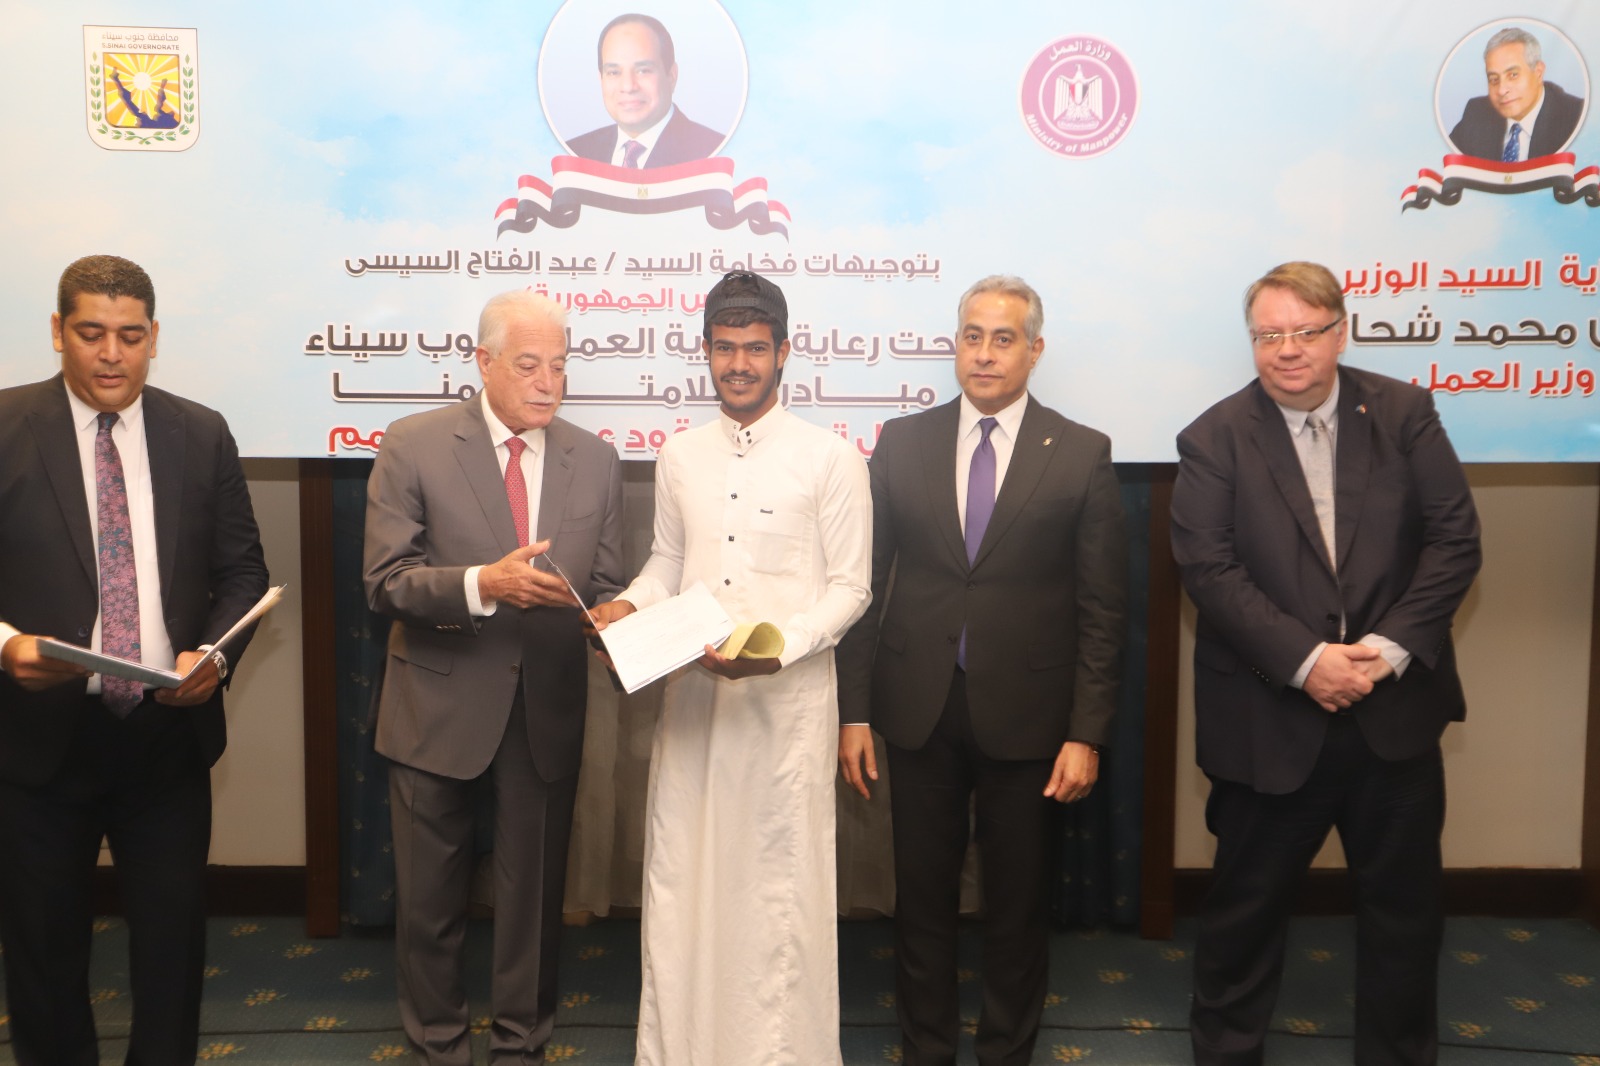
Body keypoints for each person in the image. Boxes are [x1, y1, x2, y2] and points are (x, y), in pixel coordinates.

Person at [1172, 262, 1482, 1065]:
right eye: (1268, 335)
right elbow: (1209, 570)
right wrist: (1308, 662)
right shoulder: (1213, 436)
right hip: (1269, 719)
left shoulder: (1405, 413)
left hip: (1393, 716)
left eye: (1305, 332)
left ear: (1341, 332)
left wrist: (1383, 654)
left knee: (1405, 918)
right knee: (1243, 919)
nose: (1287, 350)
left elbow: (1455, 542)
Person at [836, 275, 1127, 1066]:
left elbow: (1104, 611)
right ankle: (926, 1050)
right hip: (918, 710)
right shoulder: (903, 443)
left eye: (1004, 338)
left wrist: (1087, 734)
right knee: (921, 906)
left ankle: (1006, 1053)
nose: (985, 353)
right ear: (956, 345)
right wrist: (853, 711)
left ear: (1035, 349)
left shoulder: (1081, 453)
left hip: (1032, 721)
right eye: (972, 336)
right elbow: (864, 588)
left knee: (1018, 910)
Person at [587, 271, 870, 1065]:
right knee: (685, 885)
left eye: (754, 348)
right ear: (705, 352)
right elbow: (668, 563)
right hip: (695, 710)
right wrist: (627, 606)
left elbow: (852, 588)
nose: (738, 364)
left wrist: (782, 646)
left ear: (784, 353)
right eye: (724, 348)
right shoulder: (681, 455)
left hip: (784, 716)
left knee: (776, 900)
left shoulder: (831, 459)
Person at [0, 254, 269, 1064]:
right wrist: (7, 646)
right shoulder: (5, 425)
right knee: (43, 951)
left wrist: (213, 657)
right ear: (58, 332)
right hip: (37, 738)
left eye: (130, 335)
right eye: (91, 334)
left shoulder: (201, 432)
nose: (111, 354)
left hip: (166, 735)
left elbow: (242, 572)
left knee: (172, 951)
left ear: (154, 337)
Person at [364, 290, 625, 1065]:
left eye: (560, 366)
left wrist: (613, 616)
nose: (549, 382)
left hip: (545, 706)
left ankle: (521, 1046)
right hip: (436, 701)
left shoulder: (596, 459)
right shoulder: (414, 444)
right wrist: (485, 584)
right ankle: (438, 1047)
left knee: (533, 905)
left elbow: (607, 583)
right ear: (483, 363)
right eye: (529, 365)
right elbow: (385, 582)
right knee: (429, 904)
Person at [566, 13, 725, 168]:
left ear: (671, 76)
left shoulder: (715, 155)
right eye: (614, 72)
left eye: (643, 71)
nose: (628, 86)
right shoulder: (574, 155)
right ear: (601, 79)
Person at [1448, 26, 1584, 160]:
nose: (1502, 90)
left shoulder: (1575, 117)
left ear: (1538, 72)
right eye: (1494, 79)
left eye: (1513, 75)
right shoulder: (1476, 113)